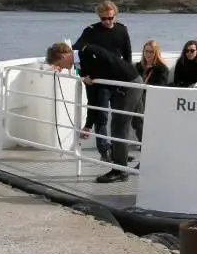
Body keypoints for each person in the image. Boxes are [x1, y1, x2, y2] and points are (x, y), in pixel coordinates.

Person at [47, 40, 140, 183]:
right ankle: (122, 167)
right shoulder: (80, 67)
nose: (63, 68)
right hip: (123, 87)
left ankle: (120, 171)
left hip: (129, 84)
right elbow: (92, 94)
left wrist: (93, 76)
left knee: (120, 128)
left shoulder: (89, 51)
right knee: (133, 124)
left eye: (59, 64)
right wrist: (88, 124)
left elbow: (110, 63)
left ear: (62, 55)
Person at [72, 1, 132, 164]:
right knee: (102, 116)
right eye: (104, 18)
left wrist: (127, 78)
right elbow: (75, 52)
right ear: (99, 16)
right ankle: (104, 150)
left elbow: (127, 56)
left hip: (118, 80)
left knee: (120, 119)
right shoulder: (91, 31)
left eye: (110, 18)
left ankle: (118, 150)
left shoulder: (122, 30)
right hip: (100, 81)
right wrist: (81, 74)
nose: (107, 21)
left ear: (115, 15)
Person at [133, 39, 170, 143]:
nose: (148, 54)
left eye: (151, 52)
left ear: (156, 53)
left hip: (151, 99)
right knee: (136, 120)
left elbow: (161, 86)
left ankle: (144, 144)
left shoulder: (161, 69)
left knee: (140, 119)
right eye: (146, 51)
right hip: (138, 97)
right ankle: (142, 142)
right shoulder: (138, 66)